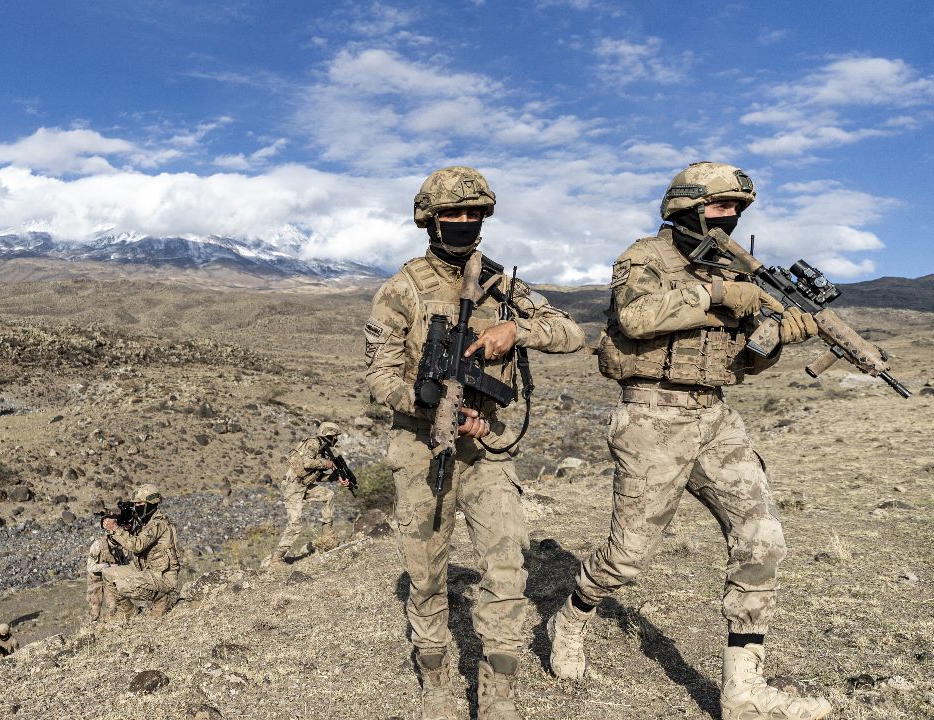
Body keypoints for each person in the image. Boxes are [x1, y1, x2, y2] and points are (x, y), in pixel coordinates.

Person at [546, 162, 829, 720]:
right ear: (686, 206)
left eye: (738, 210)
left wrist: (777, 335)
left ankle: (743, 694)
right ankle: (571, 617)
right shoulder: (644, 258)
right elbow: (637, 317)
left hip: (716, 418)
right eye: (722, 207)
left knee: (763, 539)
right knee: (628, 557)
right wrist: (725, 292)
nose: (732, 218)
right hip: (652, 416)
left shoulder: (735, 274)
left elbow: (743, 362)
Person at [365, 166, 585, 720]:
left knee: (506, 567)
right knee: (426, 571)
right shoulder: (401, 290)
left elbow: (572, 333)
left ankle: (499, 693)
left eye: (473, 213)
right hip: (422, 446)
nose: (463, 222)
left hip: (488, 447)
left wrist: (518, 330)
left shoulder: (502, 285)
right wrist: (432, 406)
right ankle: (436, 680)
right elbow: (379, 377)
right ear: (429, 219)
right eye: (451, 214)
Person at [261, 422, 351, 569]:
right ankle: (276, 559)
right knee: (295, 525)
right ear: (329, 435)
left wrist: (335, 477)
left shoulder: (322, 450)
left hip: (304, 485)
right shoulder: (313, 443)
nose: (337, 439)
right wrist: (327, 463)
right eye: (335, 436)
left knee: (328, 495)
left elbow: (318, 476)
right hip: (293, 487)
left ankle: (327, 536)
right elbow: (307, 462)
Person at [100, 484, 182, 618]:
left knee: (124, 585)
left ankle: (162, 598)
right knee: (108, 574)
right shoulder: (142, 522)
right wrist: (119, 528)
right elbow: (122, 542)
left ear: (150, 503)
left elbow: (136, 545)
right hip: (144, 569)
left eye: (139, 503)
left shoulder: (158, 524)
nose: (135, 507)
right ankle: (129, 612)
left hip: (163, 576)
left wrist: (115, 528)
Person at [86, 528, 124, 622]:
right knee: (94, 609)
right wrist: (107, 566)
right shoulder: (98, 545)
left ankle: (110, 627)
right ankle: (91, 630)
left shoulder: (121, 547)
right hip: (96, 580)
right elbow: (90, 567)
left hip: (110, 580)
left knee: (113, 607)